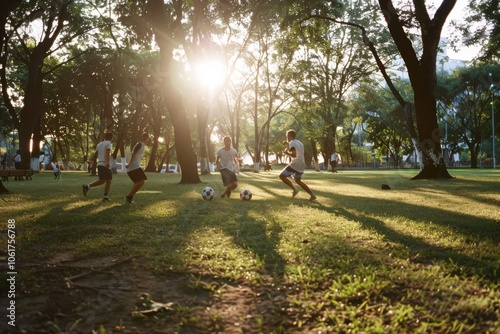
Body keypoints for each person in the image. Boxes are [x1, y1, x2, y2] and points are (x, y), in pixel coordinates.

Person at [279, 129, 317, 201]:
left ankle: (295, 189)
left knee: (281, 176)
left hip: (296, 162)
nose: (286, 137)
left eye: (287, 136)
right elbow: (303, 151)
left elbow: (294, 155)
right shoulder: (299, 142)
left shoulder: (292, 143)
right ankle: (312, 195)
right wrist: (287, 143)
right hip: (302, 163)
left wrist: (286, 153)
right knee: (298, 180)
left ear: (289, 136)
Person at [82, 132, 113, 201]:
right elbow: (107, 154)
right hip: (105, 164)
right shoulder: (109, 143)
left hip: (100, 164)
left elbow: (95, 155)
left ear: (105, 137)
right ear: (111, 138)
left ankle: (105, 196)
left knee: (107, 180)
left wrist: (91, 163)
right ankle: (88, 186)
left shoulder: (99, 144)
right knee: (103, 180)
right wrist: (107, 162)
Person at [125, 133, 150, 204]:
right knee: (141, 181)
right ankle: (128, 196)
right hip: (133, 166)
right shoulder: (140, 144)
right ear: (147, 138)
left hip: (135, 166)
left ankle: (129, 197)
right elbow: (133, 154)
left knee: (140, 182)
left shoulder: (141, 145)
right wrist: (129, 164)